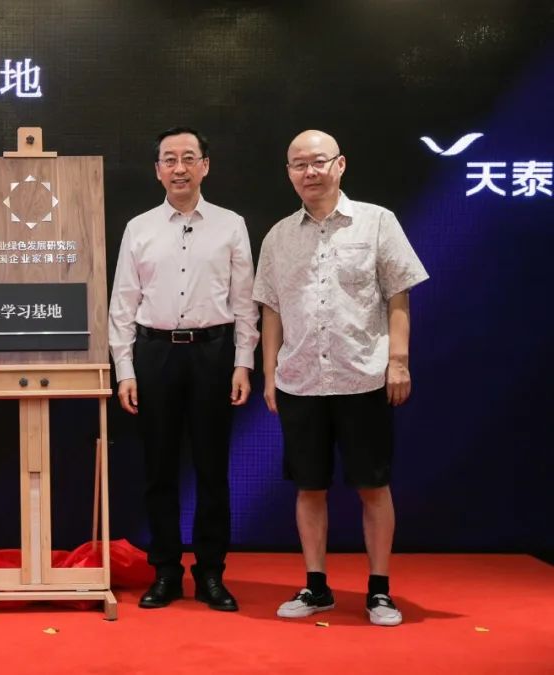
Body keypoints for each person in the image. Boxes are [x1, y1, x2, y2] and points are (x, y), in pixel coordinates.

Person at [253, 130, 429, 627]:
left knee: (373, 486)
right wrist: (270, 373)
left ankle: (379, 591)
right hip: (300, 380)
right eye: (298, 164)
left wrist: (398, 361)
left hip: (363, 376)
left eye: (318, 162)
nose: (309, 172)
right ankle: (316, 586)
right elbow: (271, 310)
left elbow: (398, 295)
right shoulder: (278, 236)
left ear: (340, 165)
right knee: (309, 488)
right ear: (289, 172)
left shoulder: (377, 222)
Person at [108, 127, 259, 611]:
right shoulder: (139, 227)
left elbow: (245, 302)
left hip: (214, 353)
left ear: (205, 166)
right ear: (157, 170)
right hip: (155, 354)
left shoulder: (231, 225)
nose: (179, 168)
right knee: (159, 469)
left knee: (212, 469)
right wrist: (125, 369)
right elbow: (122, 303)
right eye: (169, 159)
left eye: (189, 158)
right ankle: (166, 572)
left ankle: (211, 573)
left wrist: (243, 362)